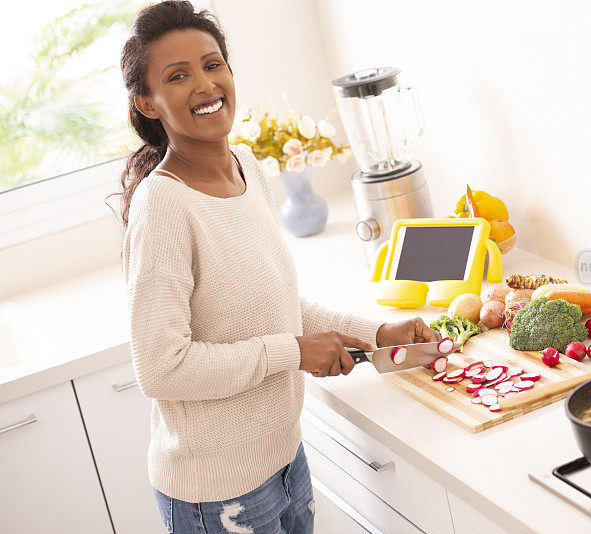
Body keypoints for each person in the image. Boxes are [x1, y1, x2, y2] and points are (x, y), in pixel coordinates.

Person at [115, 2, 440, 533]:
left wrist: (378, 332)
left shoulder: (250, 168)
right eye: (178, 76)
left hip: (285, 460)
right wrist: (291, 352)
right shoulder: (164, 206)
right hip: (215, 494)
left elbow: (279, 307)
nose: (204, 85)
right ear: (148, 104)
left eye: (212, 63)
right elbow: (160, 368)